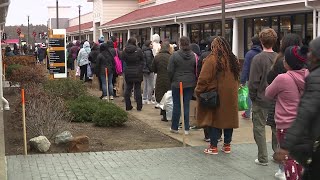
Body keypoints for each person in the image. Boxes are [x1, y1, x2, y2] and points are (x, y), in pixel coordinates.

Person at [274, 37, 320, 180]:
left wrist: (286, 146)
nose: (308, 56)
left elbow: (305, 113)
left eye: (311, 52)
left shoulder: (315, 78)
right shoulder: (309, 75)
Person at [266, 45, 308, 180]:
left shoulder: (282, 78)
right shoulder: (309, 75)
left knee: (288, 157)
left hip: (286, 125)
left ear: (289, 63)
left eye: (285, 60)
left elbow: (268, 94)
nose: (283, 61)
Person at [196, 36, 240, 155]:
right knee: (228, 120)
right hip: (231, 96)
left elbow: (203, 78)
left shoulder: (212, 59)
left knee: (215, 120)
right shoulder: (233, 59)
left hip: (216, 95)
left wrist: (198, 91)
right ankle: (227, 146)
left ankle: (213, 146)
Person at [248, 28, 278, 166]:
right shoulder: (278, 57)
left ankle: (262, 157)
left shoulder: (258, 58)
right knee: (276, 127)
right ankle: (277, 154)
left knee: (259, 128)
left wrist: (252, 96)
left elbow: (253, 81)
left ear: (261, 41)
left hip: (261, 97)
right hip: (277, 99)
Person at [168, 36, 197, 135]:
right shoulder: (194, 55)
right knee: (186, 104)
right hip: (190, 82)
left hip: (177, 82)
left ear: (180, 44)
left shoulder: (174, 55)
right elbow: (195, 69)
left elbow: (170, 70)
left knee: (177, 105)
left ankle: (174, 127)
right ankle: (186, 128)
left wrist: (172, 80)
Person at [240, 36, 262, 119]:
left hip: (250, 78)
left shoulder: (249, 54)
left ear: (253, 43)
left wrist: (242, 80)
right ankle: (259, 113)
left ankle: (247, 113)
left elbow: (245, 68)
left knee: (249, 96)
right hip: (261, 78)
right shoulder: (262, 52)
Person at [122, 38, 144, 111]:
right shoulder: (139, 50)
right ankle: (139, 106)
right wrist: (140, 67)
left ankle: (128, 105)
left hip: (128, 70)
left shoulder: (125, 51)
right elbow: (142, 60)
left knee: (128, 88)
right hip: (137, 71)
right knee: (137, 89)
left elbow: (122, 58)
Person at [151, 41, 171, 121]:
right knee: (168, 96)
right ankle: (167, 114)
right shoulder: (171, 57)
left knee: (161, 95)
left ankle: (163, 113)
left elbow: (153, 68)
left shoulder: (157, 57)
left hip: (160, 78)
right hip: (169, 78)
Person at [142, 40, 155, 104]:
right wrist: (152, 69)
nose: (152, 45)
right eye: (151, 44)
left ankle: (144, 98)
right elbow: (149, 62)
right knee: (150, 85)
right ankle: (149, 99)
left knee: (145, 84)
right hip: (149, 70)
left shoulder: (143, 51)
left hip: (144, 70)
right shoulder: (149, 52)